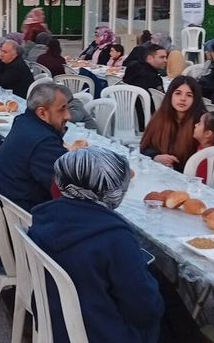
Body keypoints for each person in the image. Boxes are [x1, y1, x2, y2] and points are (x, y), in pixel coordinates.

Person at [27, 147, 164, 343]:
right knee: (168, 310)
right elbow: (145, 309)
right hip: (100, 332)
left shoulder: (43, 217)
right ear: (114, 190)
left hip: (53, 320)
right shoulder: (115, 237)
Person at [0, 82, 72, 211]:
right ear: (42, 113)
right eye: (62, 109)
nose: (68, 116)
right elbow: (69, 187)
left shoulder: (22, 121)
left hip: (3, 209)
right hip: (22, 219)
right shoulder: (44, 142)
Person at [140, 76, 206, 172]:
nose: (183, 99)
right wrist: (155, 157)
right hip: (162, 171)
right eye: (178, 93)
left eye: (189, 95)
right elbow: (145, 147)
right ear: (170, 95)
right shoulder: (161, 116)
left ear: (195, 99)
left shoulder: (201, 123)